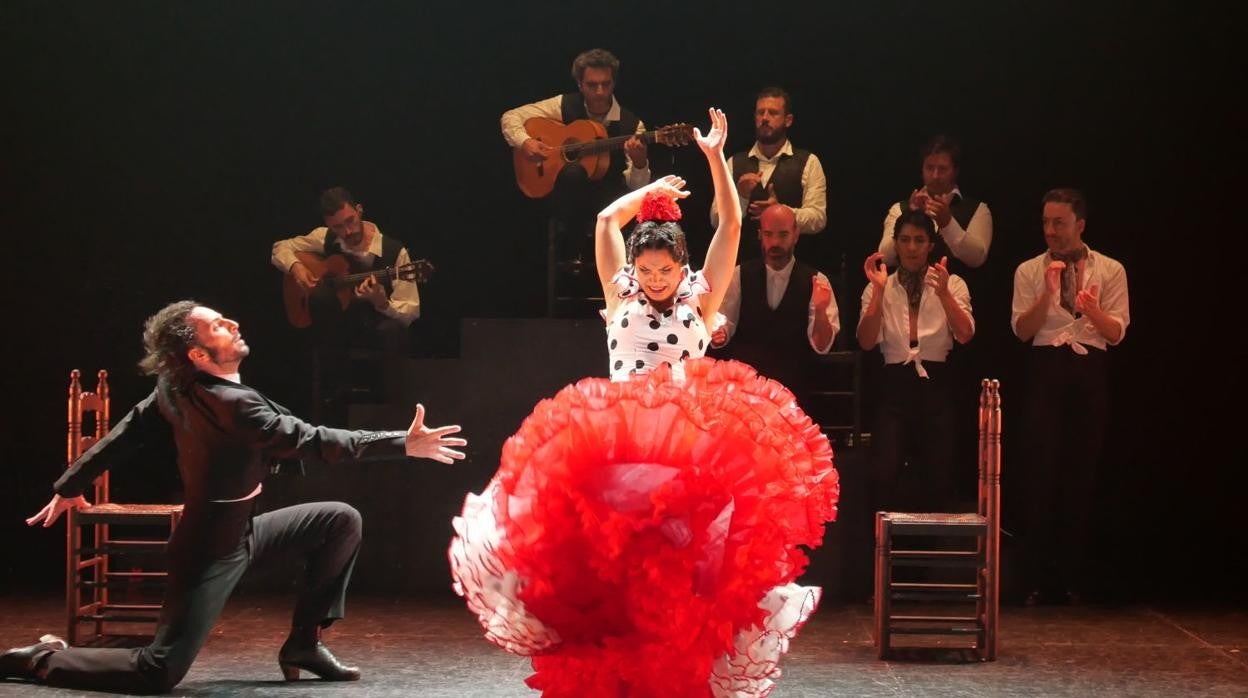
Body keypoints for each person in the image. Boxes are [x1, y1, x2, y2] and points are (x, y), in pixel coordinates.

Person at [451, 109, 840, 697]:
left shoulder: (699, 303)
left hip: (683, 449)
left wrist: (715, 157)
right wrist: (649, 193)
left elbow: (732, 224)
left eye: (665, 269)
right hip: (618, 445)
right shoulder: (621, 293)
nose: (655, 279)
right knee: (612, 568)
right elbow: (607, 219)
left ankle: (672, 674)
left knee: (681, 575)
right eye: (646, 268)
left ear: (681, 267)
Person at [0, 301, 466, 692]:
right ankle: (41, 658)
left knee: (340, 520)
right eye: (219, 326)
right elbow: (315, 439)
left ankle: (305, 641)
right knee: (157, 670)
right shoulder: (235, 406)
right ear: (199, 354)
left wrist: (69, 486)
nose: (234, 324)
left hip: (241, 532)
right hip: (207, 551)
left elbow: (127, 432)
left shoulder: (176, 386)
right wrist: (401, 443)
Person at [1011, 188, 1129, 605]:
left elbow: (1115, 333)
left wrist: (1092, 310)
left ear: (1080, 224)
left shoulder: (1111, 269)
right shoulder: (1028, 269)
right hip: (1045, 369)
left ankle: (1073, 577)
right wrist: (1048, 292)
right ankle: (1036, 579)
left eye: (1058, 223)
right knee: (1039, 473)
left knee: (1081, 473)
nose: (1050, 231)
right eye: (1045, 222)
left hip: (1088, 371)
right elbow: (1022, 332)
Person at [501, 49, 652, 306]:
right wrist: (526, 142)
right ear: (580, 84)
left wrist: (640, 163)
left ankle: (594, 265)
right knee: (572, 173)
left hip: (607, 200)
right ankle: (572, 253)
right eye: (592, 85)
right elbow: (510, 117)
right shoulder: (564, 105)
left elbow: (636, 188)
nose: (600, 92)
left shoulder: (631, 124)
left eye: (606, 84)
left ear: (613, 83)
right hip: (565, 199)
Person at [858, 210, 975, 514]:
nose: (911, 247)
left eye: (919, 240)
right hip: (894, 384)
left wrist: (945, 294)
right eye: (905, 240)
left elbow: (965, 335)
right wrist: (879, 293)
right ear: (895, 244)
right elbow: (866, 341)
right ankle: (885, 553)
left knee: (936, 475)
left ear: (930, 245)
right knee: (885, 472)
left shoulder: (953, 283)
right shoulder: (879, 284)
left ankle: (930, 554)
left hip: (936, 383)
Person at [271, 186, 421, 421]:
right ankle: (334, 399)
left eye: (350, 221)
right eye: (338, 227)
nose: (347, 231)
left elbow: (411, 312)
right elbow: (280, 247)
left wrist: (381, 302)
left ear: (359, 210)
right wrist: (296, 267)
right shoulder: (326, 237)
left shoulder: (394, 252)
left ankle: (392, 412)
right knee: (321, 300)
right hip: (338, 329)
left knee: (392, 331)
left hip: (376, 326)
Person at [710, 203, 840, 403]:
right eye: (769, 234)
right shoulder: (738, 275)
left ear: (796, 235)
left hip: (793, 391)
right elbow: (725, 322)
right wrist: (721, 333)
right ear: (760, 234)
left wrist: (821, 310)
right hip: (745, 390)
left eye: (783, 235)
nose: (775, 242)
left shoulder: (817, 281)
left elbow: (822, 346)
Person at [711, 87, 827, 261]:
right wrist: (741, 198)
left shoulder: (809, 162)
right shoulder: (734, 163)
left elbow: (818, 218)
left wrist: (780, 212)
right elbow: (716, 220)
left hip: (794, 268)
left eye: (773, 113)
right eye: (760, 113)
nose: (765, 118)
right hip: (742, 266)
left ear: (788, 120)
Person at [878, 135, 992, 270]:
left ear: (955, 171)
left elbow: (977, 258)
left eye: (942, 169)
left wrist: (948, 223)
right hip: (908, 290)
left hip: (955, 289)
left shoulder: (977, 209)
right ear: (922, 169)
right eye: (930, 168)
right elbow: (884, 258)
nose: (935, 175)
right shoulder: (900, 209)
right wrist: (908, 218)